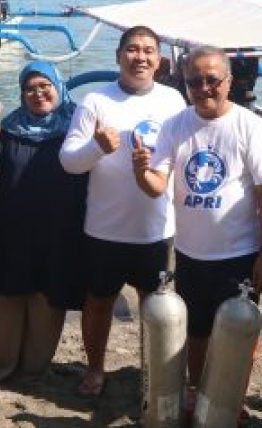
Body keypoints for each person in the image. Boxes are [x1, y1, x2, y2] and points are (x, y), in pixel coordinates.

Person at [132, 48, 262, 414]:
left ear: (229, 81)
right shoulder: (176, 124)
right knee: (196, 332)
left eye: (211, 79)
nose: (203, 88)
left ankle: (231, 398)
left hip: (239, 253)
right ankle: (197, 391)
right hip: (190, 251)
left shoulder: (250, 125)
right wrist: (140, 170)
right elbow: (156, 184)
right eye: (193, 81)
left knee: (238, 332)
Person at [59, 25, 186, 397]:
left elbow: (185, 157)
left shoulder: (173, 101)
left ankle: (153, 372)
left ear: (159, 60)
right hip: (105, 228)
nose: (140, 57)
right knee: (98, 302)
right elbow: (68, 162)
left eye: (148, 50)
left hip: (156, 229)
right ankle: (95, 369)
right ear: (118, 56)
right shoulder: (95, 101)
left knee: (155, 306)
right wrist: (96, 147)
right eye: (132, 49)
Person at [0, 61, 88, 382]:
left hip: (59, 230)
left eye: (44, 86)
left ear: (58, 86)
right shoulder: (9, 126)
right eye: (30, 89)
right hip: (11, 227)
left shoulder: (77, 126)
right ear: (22, 94)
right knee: (4, 296)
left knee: (47, 298)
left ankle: (34, 367)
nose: (38, 94)